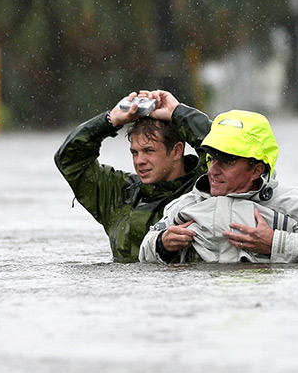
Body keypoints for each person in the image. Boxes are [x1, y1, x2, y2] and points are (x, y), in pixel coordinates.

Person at [139, 110, 298, 264]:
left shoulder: (297, 204)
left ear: (257, 169)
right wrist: (162, 244)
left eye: (226, 162)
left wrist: (276, 243)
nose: (213, 170)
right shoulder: (185, 204)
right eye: (211, 159)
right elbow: (145, 251)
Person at [54, 90, 211, 262]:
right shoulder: (120, 193)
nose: (139, 161)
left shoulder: (207, 187)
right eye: (134, 152)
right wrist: (110, 120)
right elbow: (70, 160)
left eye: (149, 151)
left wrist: (179, 113)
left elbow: (227, 154)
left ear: (177, 151)